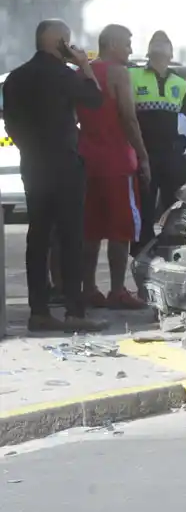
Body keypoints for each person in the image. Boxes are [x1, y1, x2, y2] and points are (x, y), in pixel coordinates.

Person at [0, 20, 108, 332]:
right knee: (71, 236)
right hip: (64, 164)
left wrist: (28, 148)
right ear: (58, 41)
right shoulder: (64, 75)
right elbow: (95, 99)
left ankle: (39, 312)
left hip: (33, 164)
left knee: (38, 236)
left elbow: (10, 123)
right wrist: (84, 65)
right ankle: (74, 312)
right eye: (67, 41)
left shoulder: (15, 78)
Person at [78, 23, 150, 309]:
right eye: (127, 44)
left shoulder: (81, 73)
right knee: (121, 229)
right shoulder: (118, 73)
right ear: (111, 44)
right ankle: (118, 290)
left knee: (91, 228)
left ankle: (88, 288)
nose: (131, 50)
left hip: (87, 161)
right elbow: (129, 118)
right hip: (117, 162)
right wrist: (143, 156)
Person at [132, 30, 186, 252]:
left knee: (177, 209)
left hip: (172, 155)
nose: (159, 44)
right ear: (148, 51)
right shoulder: (133, 76)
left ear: (171, 54)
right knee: (143, 209)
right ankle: (143, 254)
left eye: (165, 42)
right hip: (144, 154)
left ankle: (173, 252)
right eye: (155, 42)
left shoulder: (179, 83)